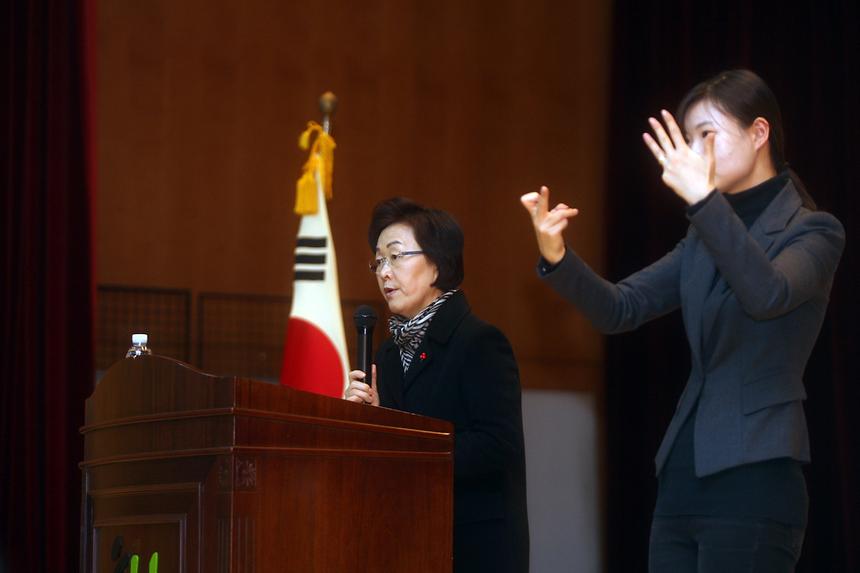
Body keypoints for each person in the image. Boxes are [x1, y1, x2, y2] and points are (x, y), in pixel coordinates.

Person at [520, 70, 844, 572]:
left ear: (759, 133)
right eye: (688, 139)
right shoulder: (705, 236)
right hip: (682, 476)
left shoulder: (815, 230)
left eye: (706, 135)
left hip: (756, 477)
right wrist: (557, 256)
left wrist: (705, 202)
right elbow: (619, 308)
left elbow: (767, 293)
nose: (693, 153)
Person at [346, 197, 530, 573]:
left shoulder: (479, 341)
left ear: (436, 265)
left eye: (396, 257)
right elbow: (389, 454)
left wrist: (404, 441)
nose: (383, 272)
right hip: (407, 540)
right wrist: (366, 420)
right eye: (378, 260)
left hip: (473, 547)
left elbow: (498, 446)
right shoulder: (386, 352)